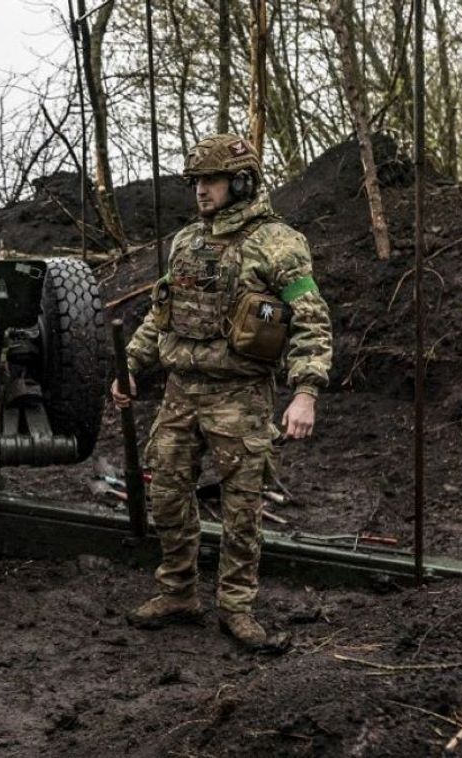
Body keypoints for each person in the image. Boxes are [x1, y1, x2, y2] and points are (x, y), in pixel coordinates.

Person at [111, 134, 333, 648]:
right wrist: (130, 366)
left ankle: (236, 607)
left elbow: (310, 318)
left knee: (241, 509)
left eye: (210, 180)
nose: (201, 192)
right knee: (166, 493)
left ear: (241, 181)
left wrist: (307, 391)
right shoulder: (188, 241)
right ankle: (178, 591)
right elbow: (161, 313)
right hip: (180, 391)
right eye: (196, 182)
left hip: (240, 395)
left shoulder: (277, 242)